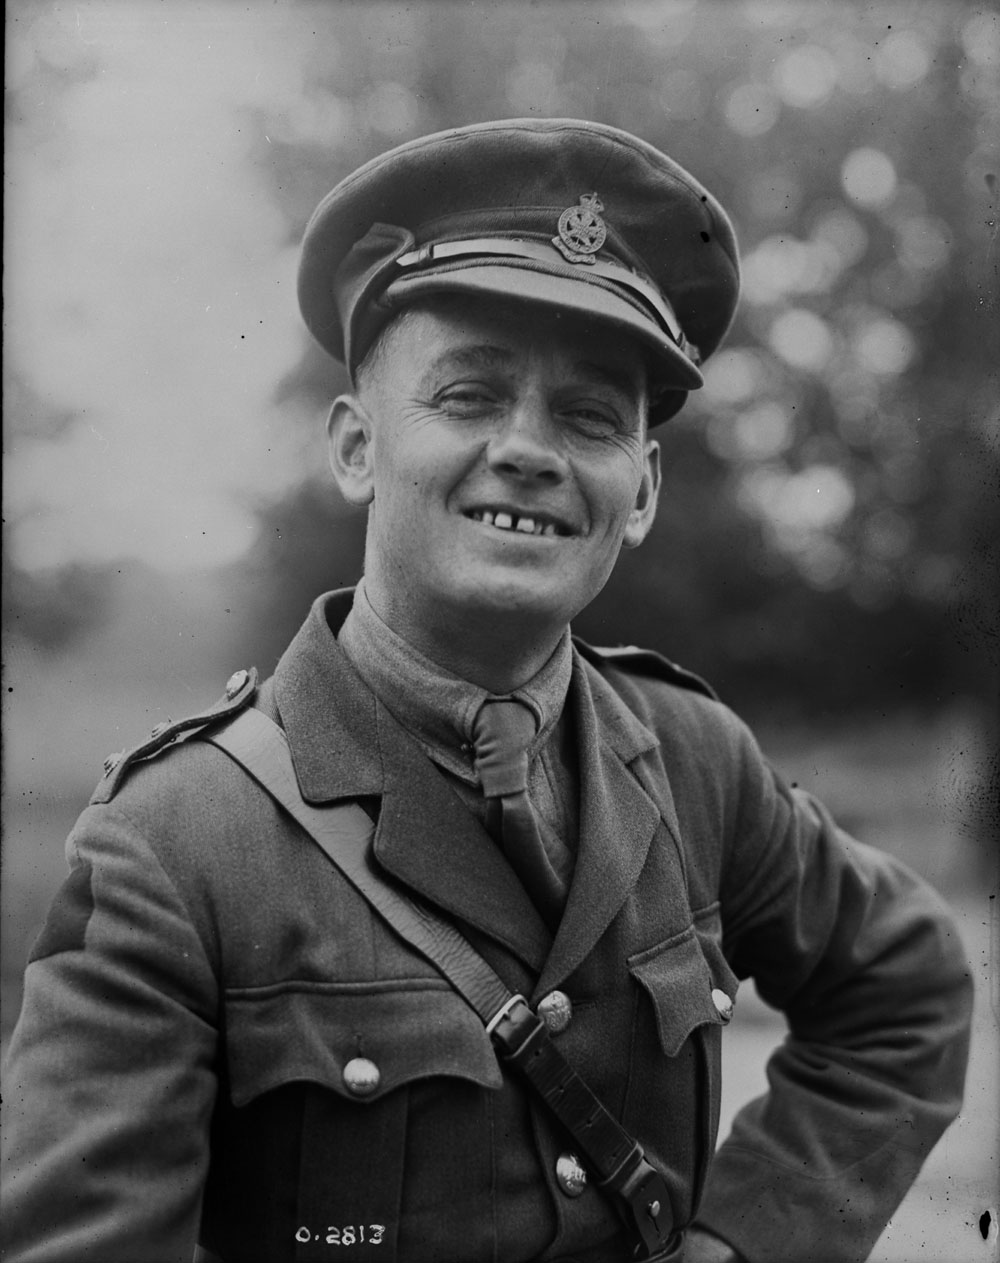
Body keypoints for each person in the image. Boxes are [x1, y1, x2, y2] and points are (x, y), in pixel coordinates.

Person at [1, 119, 972, 1263]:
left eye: (590, 417)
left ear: (642, 490)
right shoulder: (176, 841)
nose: (530, 450)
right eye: (468, 396)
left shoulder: (694, 756)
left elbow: (907, 985)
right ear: (356, 448)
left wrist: (745, 1245)